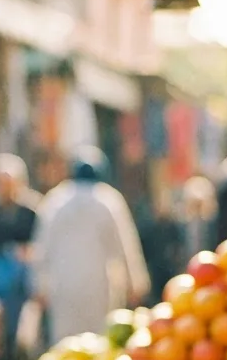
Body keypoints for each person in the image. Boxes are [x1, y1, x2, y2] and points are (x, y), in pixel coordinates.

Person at [32, 148, 151, 345]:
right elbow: (126, 246)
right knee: (100, 343)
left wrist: (38, 285)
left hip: (63, 284)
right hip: (99, 283)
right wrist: (136, 283)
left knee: (65, 344)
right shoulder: (108, 199)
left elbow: (41, 247)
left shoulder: (56, 200)